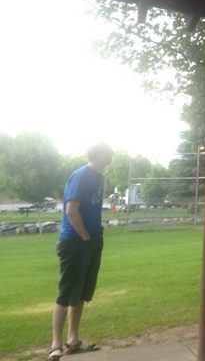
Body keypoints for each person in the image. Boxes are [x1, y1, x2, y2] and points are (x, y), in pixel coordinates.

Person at [49, 142, 114, 361]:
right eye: (109, 151)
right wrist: (85, 237)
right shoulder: (81, 175)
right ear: (99, 154)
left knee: (81, 295)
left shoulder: (98, 177)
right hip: (75, 242)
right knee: (66, 293)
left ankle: (73, 341)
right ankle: (55, 345)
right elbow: (71, 210)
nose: (112, 154)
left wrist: (92, 239)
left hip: (92, 241)